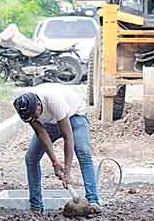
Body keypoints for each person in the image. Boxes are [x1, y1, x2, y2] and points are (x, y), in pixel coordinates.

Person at [13, 84, 100, 213]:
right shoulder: (26, 108)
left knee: (83, 152)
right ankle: (36, 206)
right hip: (51, 122)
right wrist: (55, 162)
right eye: (31, 119)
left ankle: (93, 201)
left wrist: (67, 172)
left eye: (35, 116)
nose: (35, 120)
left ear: (38, 104)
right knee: (31, 158)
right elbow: (42, 133)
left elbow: (68, 136)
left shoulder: (53, 100)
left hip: (75, 115)